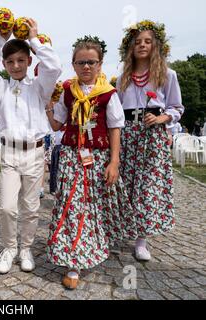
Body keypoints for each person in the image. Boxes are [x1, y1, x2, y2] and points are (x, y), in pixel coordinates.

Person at [45, 36, 135, 290]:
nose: (86, 67)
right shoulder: (68, 91)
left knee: (93, 205)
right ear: (73, 64)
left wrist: (114, 162)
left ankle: (93, 244)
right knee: (72, 204)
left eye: (91, 62)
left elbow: (115, 127)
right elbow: (57, 124)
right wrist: (48, 105)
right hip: (72, 156)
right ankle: (74, 261)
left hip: (97, 158)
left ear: (100, 64)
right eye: (81, 62)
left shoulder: (108, 94)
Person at [0, 19, 62, 274]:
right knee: (6, 206)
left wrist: (34, 39)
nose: (16, 66)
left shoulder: (40, 87)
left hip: (35, 152)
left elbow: (54, 66)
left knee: (31, 206)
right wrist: (0, 39)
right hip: (10, 153)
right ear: (4, 64)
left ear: (29, 61)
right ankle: (9, 247)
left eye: (21, 61)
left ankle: (25, 247)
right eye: (10, 62)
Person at [117, 20, 184, 261]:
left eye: (147, 41)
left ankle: (141, 239)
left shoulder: (167, 74)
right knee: (125, 183)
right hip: (127, 134)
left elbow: (177, 106)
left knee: (147, 187)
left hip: (151, 134)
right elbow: (116, 109)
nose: (142, 45)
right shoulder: (123, 77)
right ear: (130, 48)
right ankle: (121, 227)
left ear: (156, 45)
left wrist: (162, 118)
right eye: (137, 42)